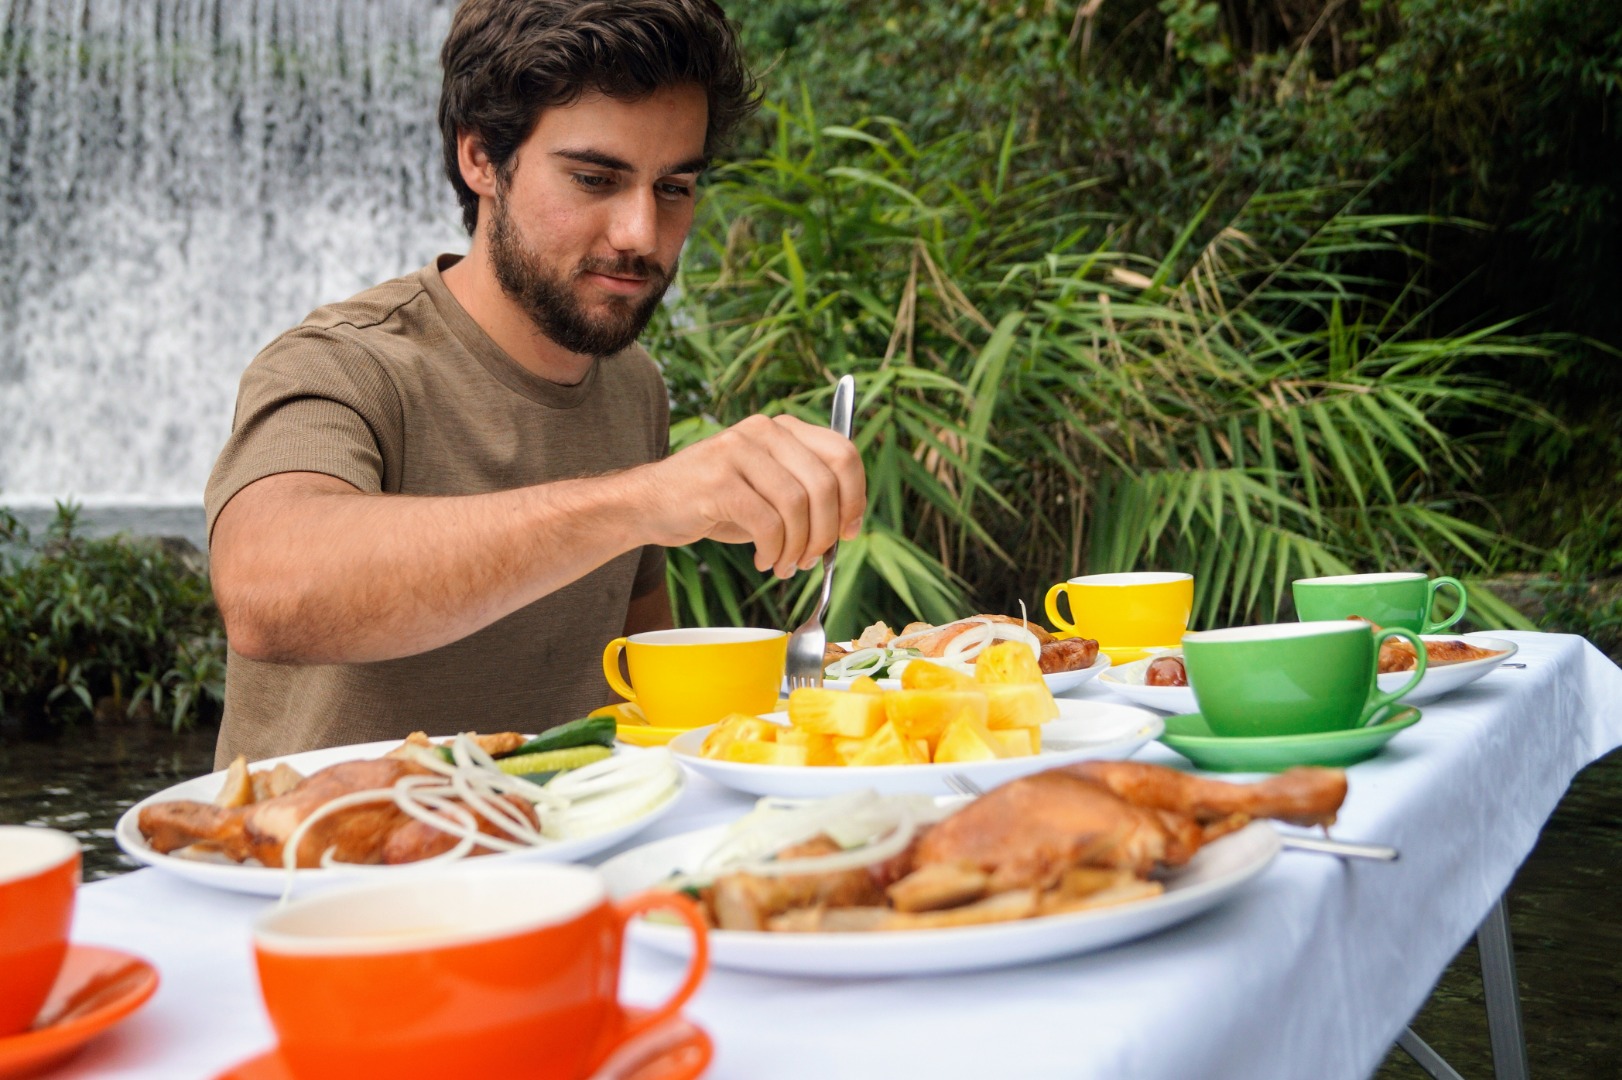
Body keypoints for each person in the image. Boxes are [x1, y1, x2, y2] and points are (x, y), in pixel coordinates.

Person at [204, 0, 865, 767]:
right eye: (594, 178)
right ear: (481, 158)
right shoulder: (344, 363)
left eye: (675, 188)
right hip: (320, 872)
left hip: (564, 864)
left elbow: (645, 685)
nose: (641, 235)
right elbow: (268, 593)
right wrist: (644, 499)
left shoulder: (632, 384)